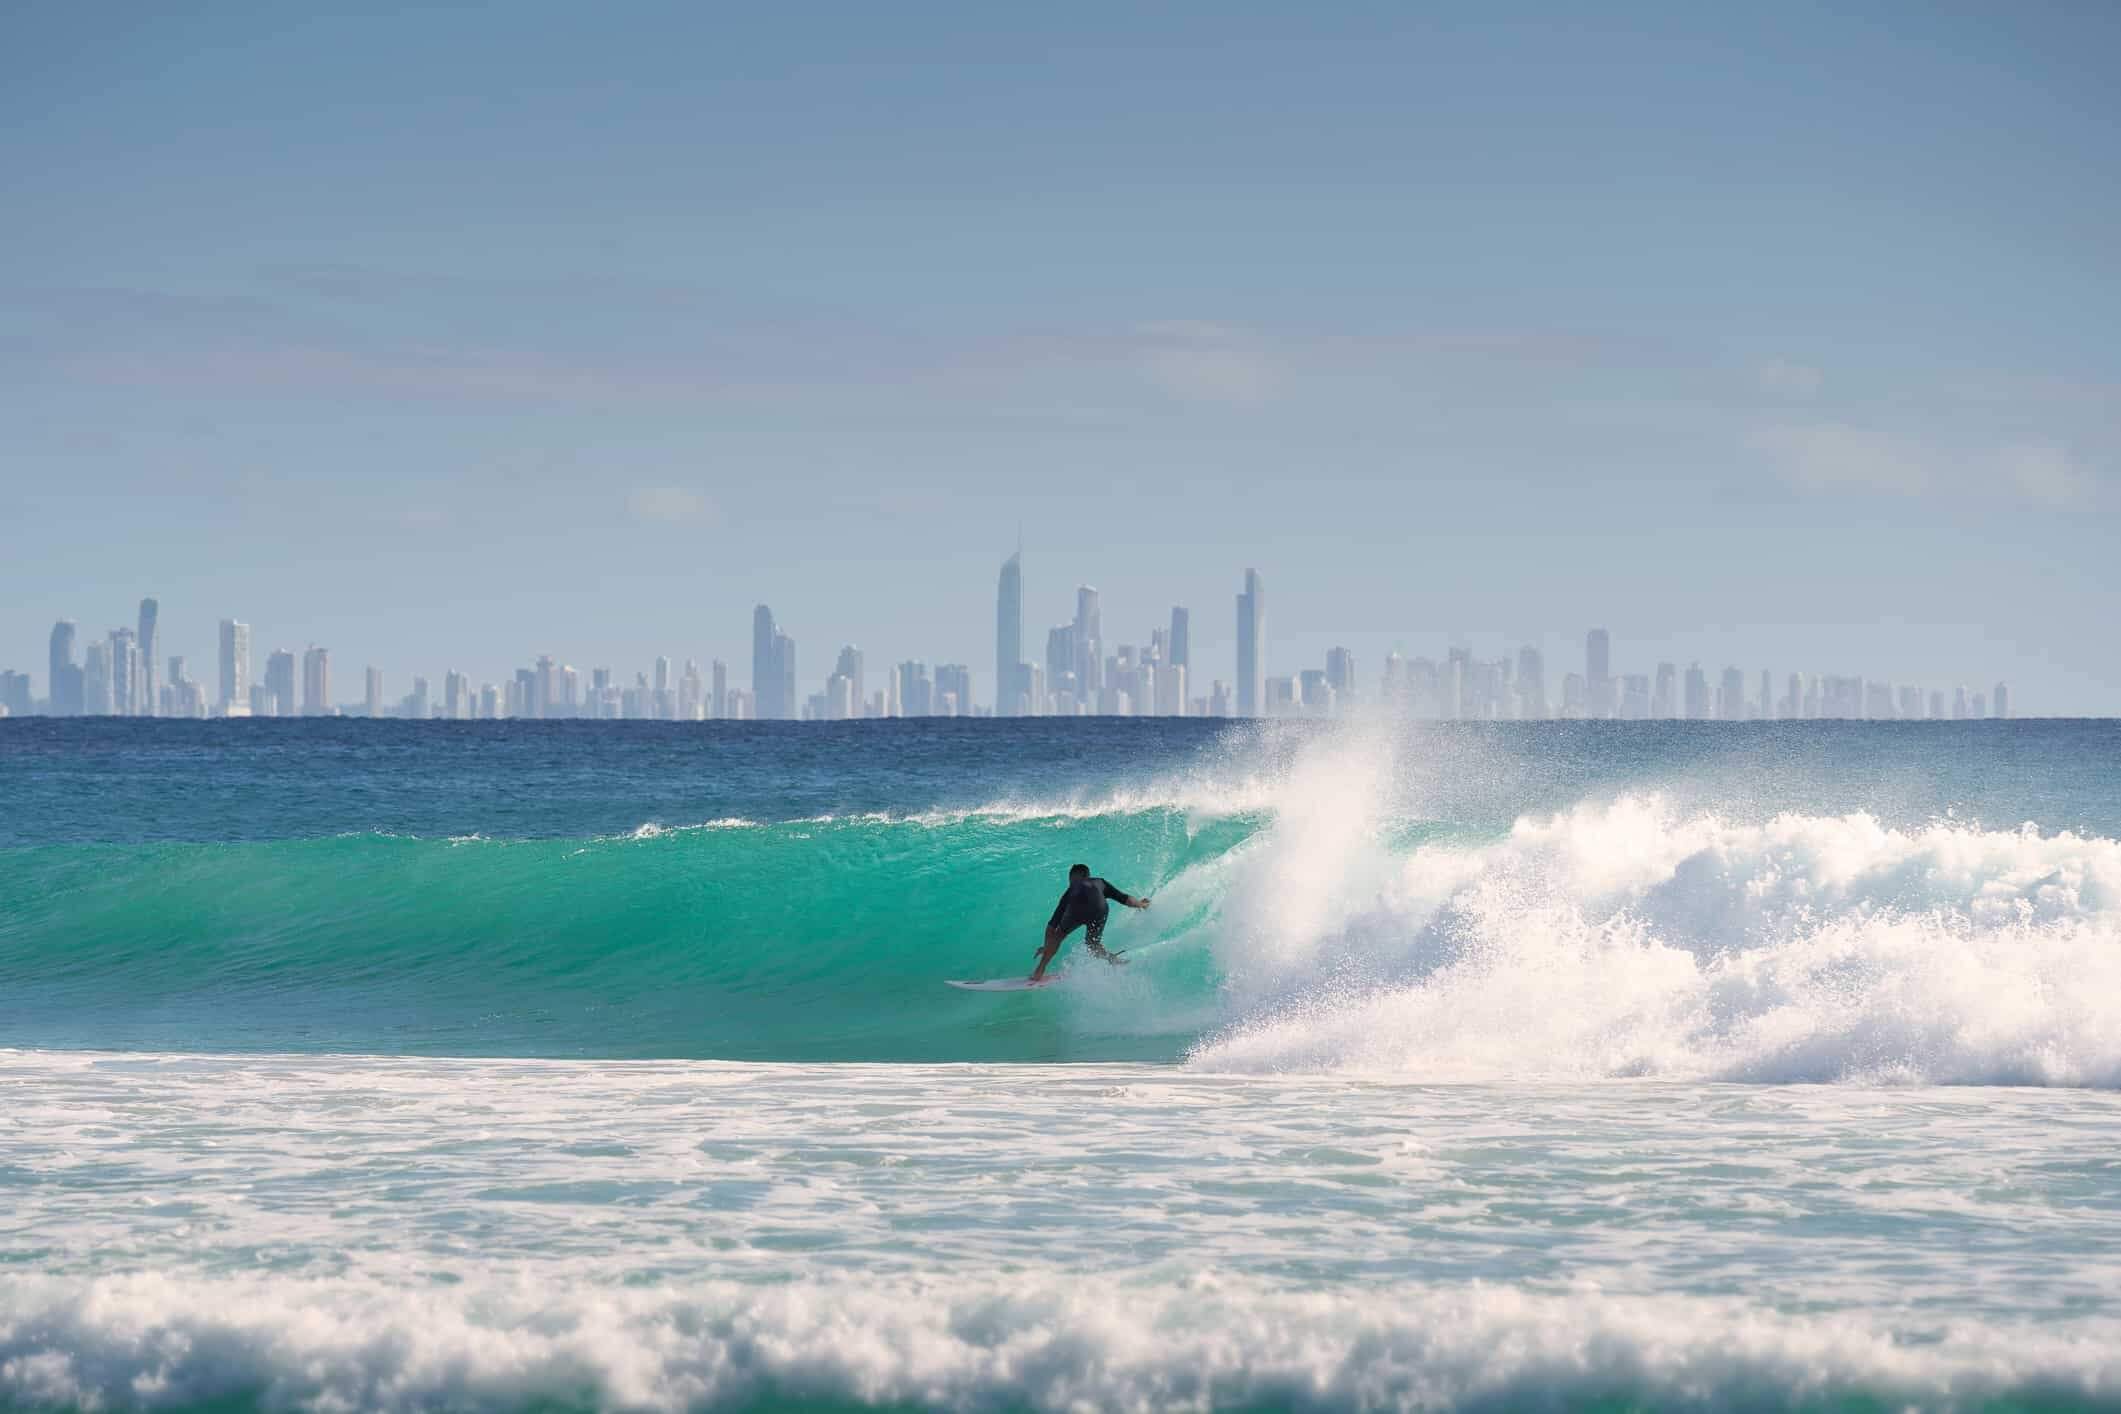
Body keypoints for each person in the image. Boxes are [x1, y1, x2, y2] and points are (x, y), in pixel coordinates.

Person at [1031, 864, 1151, 982]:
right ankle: (1111, 959)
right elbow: (1125, 899)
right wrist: (1141, 904)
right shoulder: (1100, 882)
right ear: (1088, 875)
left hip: (1076, 909)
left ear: (1073, 877)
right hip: (1099, 909)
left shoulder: (1070, 891)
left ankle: (1039, 971)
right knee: (1092, 944)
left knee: (1058, 936)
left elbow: (1052, 925)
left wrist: (1047, 946)